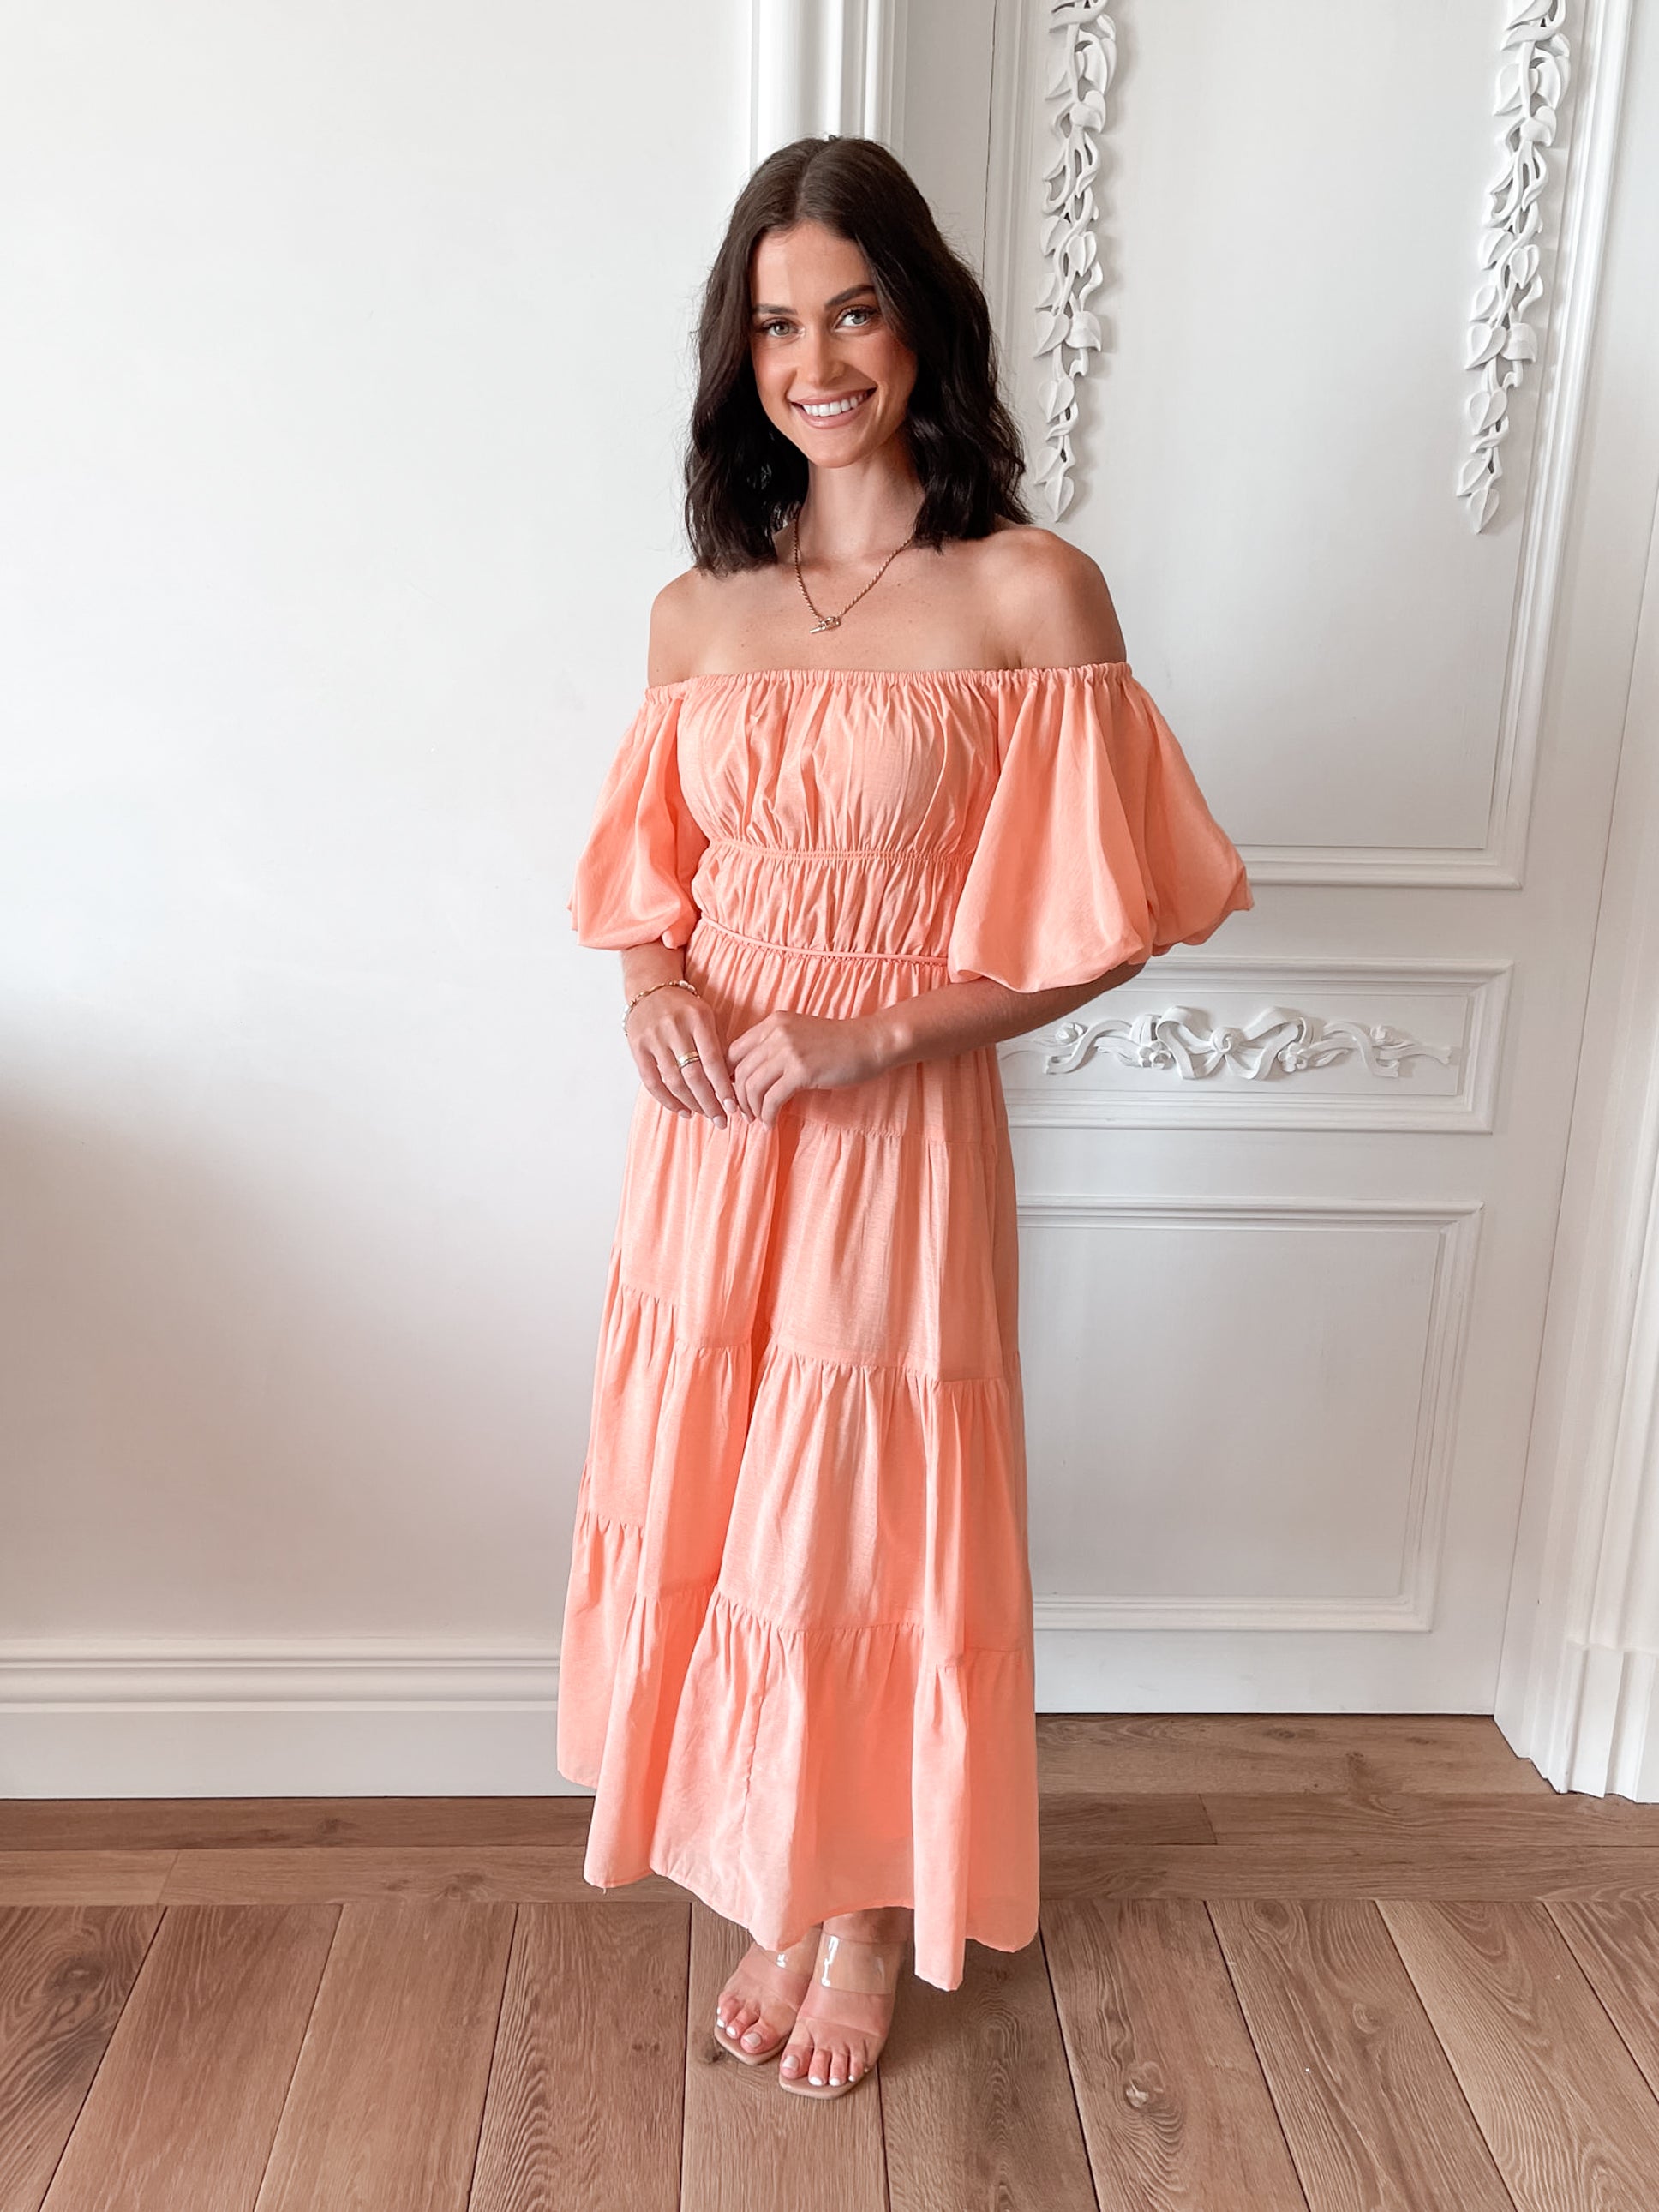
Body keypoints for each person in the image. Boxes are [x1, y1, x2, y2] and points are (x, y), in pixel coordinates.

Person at [555, 134, 1252, 2101]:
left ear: (920, 320)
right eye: (775, 325)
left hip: (888, 1132)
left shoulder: (1027, 591)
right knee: (724, 1500)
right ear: (740, 358)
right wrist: (656, 992)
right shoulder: (700, 614)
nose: (816, 362)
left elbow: (1109, 924)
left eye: (850, 310)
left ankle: (859, 1908)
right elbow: (648, 897)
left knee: (854, 1519)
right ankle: (773, 1871)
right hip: (709, 1138)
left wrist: (867, 1040)